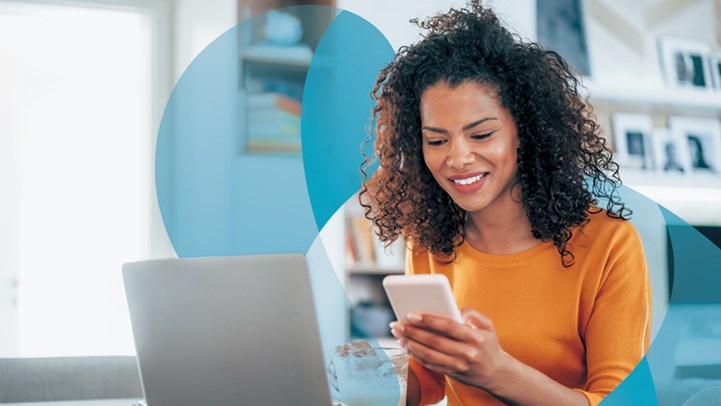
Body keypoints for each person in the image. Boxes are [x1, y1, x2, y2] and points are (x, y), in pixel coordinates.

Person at [356, 2, 651, 405]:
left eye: (480, 135)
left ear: (523, 132)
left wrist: (496, 371)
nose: (456, 158)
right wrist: (364, 382)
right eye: (437, 140)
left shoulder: (609, 244)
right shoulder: (428, 241)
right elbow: (427, 384)